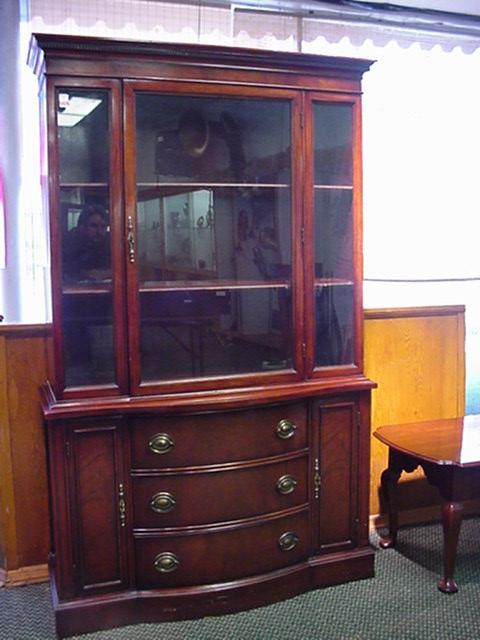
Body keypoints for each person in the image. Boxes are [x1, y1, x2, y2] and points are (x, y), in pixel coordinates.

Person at [63, 203, 111, 281]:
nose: (99, 231)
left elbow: (122, 268)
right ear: (82, 227)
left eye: (103, 226)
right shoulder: (71, 242)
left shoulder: (112, 243)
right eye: (94, 226)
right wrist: (86, 274)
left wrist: (105, 274)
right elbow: (65, 269)